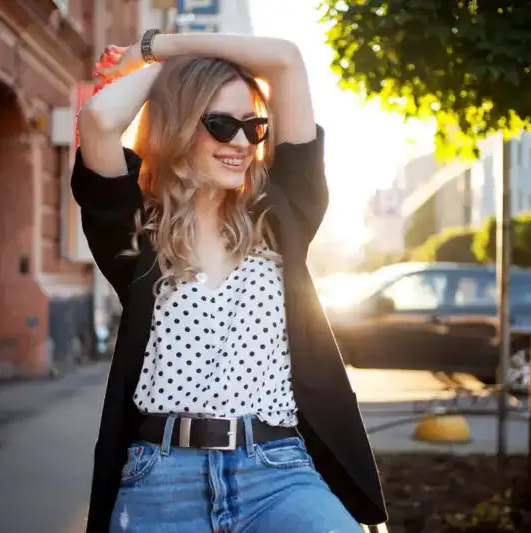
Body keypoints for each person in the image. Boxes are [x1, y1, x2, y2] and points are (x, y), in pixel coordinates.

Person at [72, 30, 387, 532]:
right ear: (177, 125)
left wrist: (161, 45)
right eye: (220, 125)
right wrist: (162, 70)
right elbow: (99, 120)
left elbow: (286, 58)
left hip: (278, 473)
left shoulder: (283, 217)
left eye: (253, 126)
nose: (241, 142)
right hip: (161, 479)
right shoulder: (136, 237)